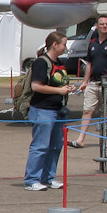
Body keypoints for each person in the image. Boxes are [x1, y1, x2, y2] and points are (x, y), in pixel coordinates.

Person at [24, 32, 75, 191]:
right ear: (55, 45)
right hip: (43, 110)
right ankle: (32, 179)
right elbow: (36, 86)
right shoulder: (41, 62)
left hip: (58, 110)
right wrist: (59, 91)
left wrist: (68, 88)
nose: (65, 47)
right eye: (64, 44)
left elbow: (59, 82)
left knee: (55, 146)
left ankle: (48, 177)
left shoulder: (59, 62)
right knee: (40, 146)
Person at [71, 15, 107, 149]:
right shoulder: (92, 42)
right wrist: (85, 82)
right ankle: (81, 139)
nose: (105, 26)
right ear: (97, 26)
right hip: (94, 83)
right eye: (102, 24)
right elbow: (89, 63)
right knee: (88, 110)